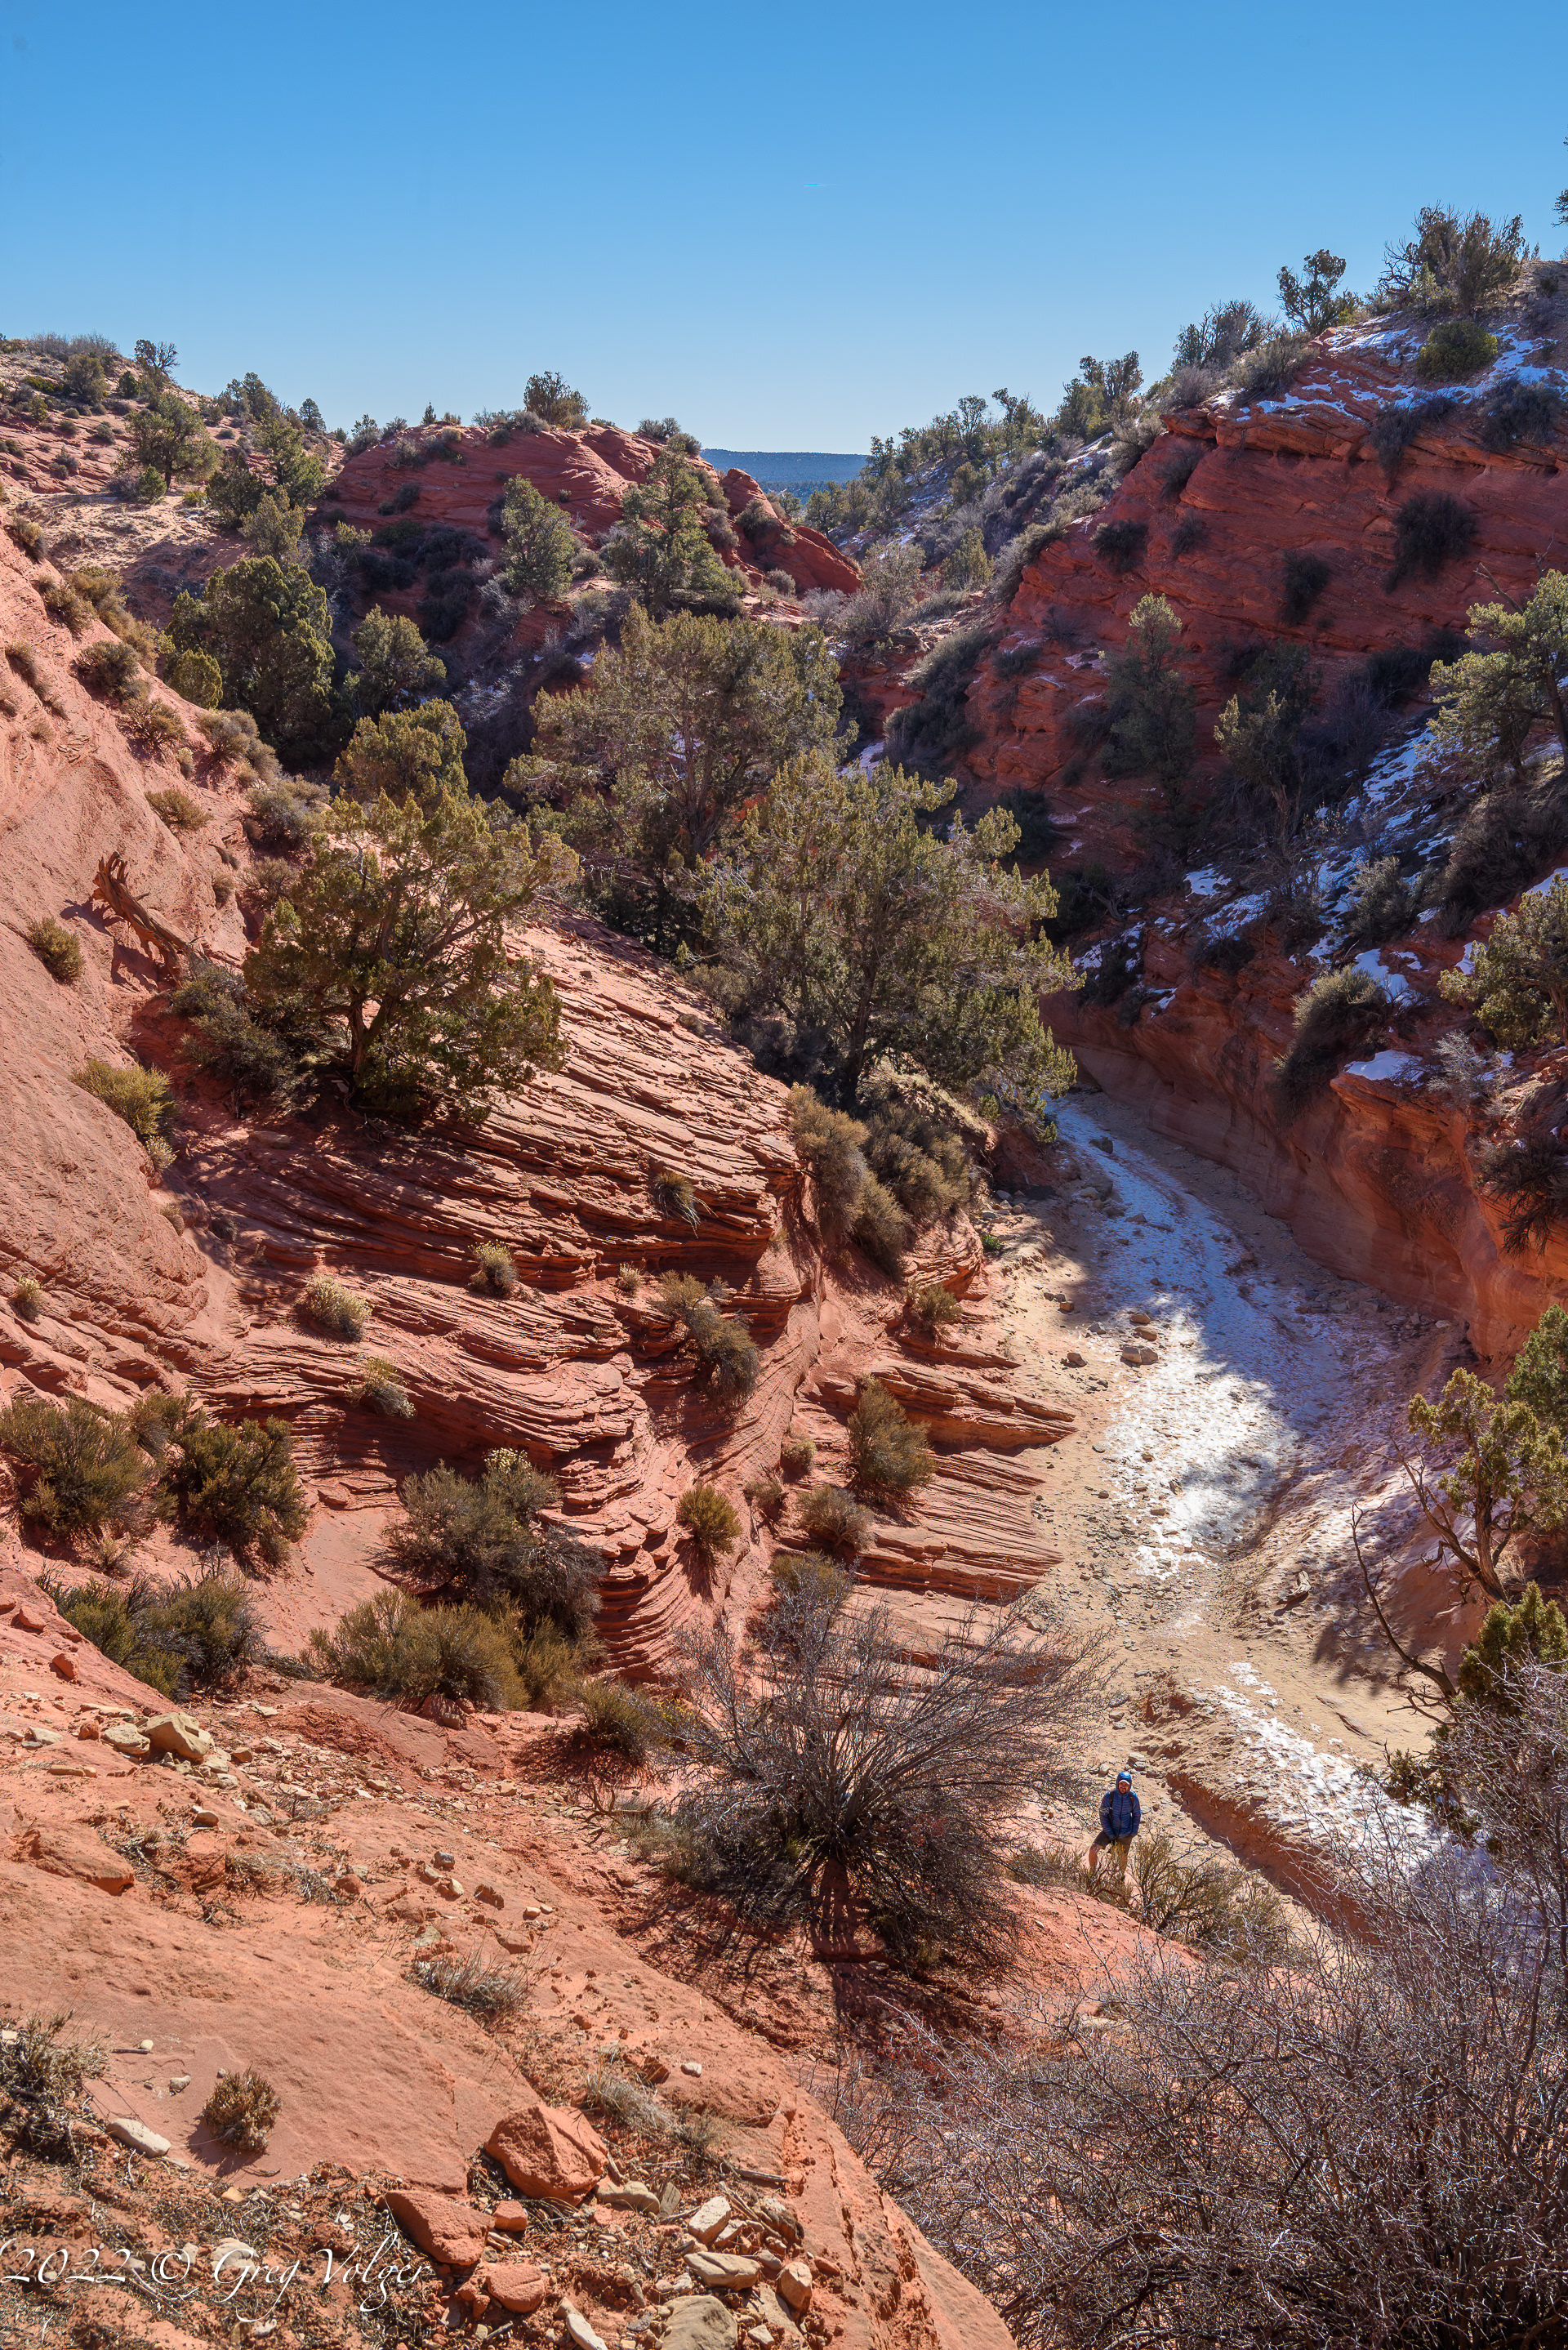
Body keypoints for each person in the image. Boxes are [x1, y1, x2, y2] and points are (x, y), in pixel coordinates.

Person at [1089, 1768, 1140, 1883]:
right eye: (1121, 1784)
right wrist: (1110, 1833)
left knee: (1122, 1858)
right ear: (1117, 1783)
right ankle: (1091, 1876)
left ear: (1130, 1786)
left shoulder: (1133, 1798)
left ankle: (1120, 1879)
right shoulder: (1109, 1796)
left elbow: (1137, 1815)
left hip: (1125, 1833)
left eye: (1126, 1785)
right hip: (1110, 1830)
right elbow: (1103, 1815)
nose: (1123, 1786)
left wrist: (1133, 1832)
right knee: (1093, 1850)